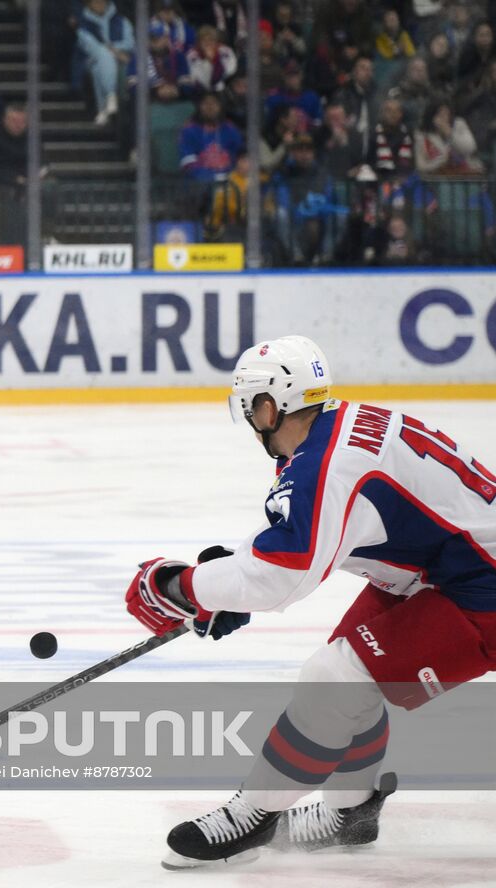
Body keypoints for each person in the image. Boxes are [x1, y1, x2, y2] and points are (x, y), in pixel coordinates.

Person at [125, 334, 496, 867]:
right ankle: (351, 815)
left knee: (336, 677)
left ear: (271, 406)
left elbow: (285, 573)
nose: (251, 422)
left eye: (251, 406)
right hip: (443, 571)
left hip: (480, 588)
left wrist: (179, 587)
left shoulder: (327, 462)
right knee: (342, 685)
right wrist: (231, 577)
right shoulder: (331, 430)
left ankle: (252, 816)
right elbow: (305, 538)